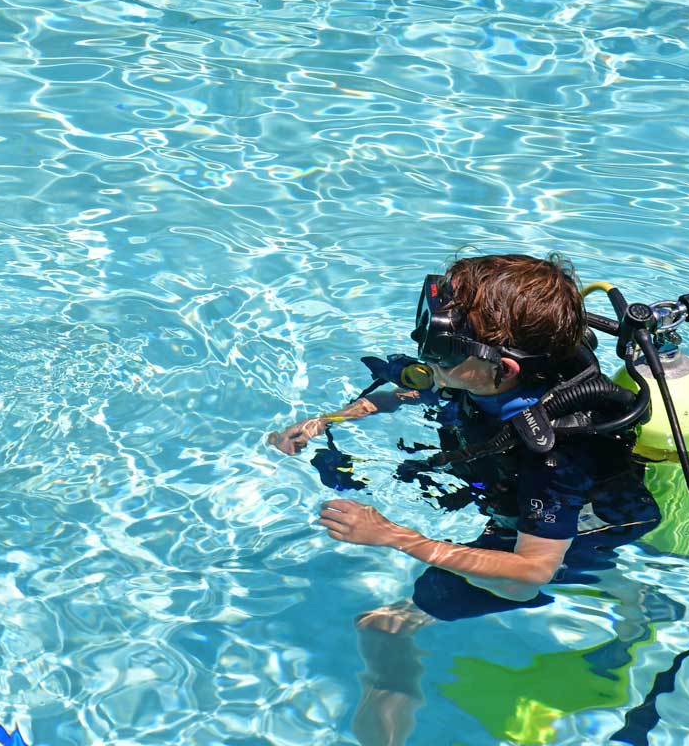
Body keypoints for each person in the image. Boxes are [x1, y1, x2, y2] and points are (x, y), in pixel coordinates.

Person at [269, 254, 661, 746]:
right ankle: (632, 599)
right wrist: (329, 421)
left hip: (586, 527)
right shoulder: (497, 372)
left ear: (505, 366)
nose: (427, 356)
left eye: (443, 350)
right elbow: (413, 390)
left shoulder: (553, 457)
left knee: (383, 626)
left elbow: (528, 576)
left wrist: (395, 536)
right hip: (548, 504)